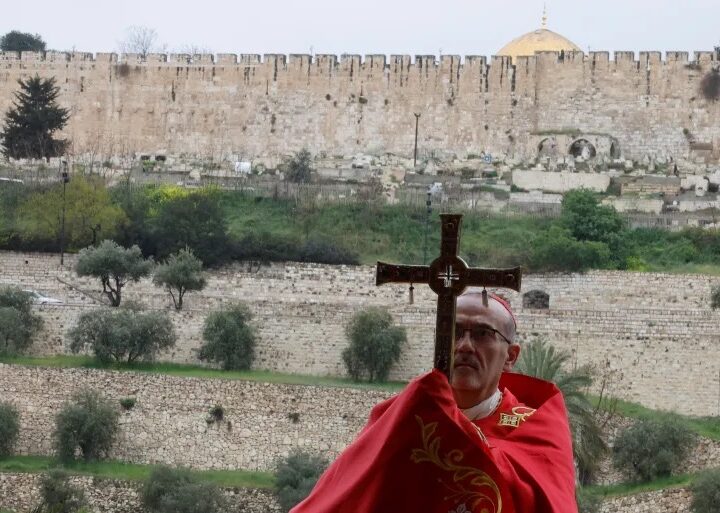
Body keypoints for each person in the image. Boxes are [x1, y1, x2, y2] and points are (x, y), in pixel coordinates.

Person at [292, 291, 577, 513]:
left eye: (482, 334)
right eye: (455, 332)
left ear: (510, 356)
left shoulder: (537, 428)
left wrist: (448, 426)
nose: (465, 346)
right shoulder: (401, 417)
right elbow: (350, 495)